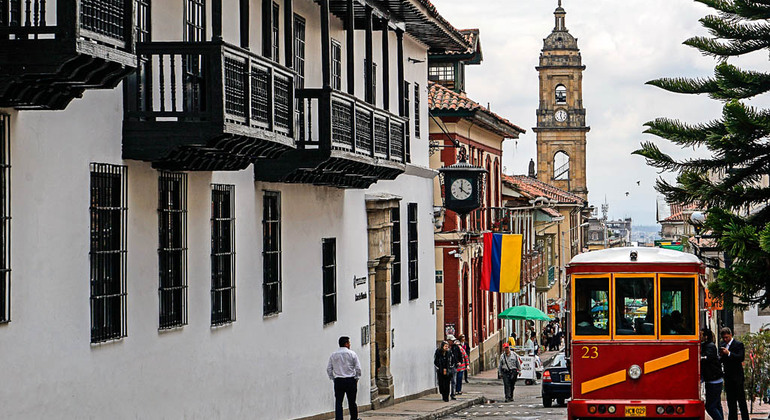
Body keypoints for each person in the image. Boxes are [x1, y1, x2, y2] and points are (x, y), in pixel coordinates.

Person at [327, 336, 362, 420]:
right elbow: (358, 368)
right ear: (346, 344)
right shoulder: (352, 354)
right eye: (349, 343)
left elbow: (329, 369)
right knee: (352, 401)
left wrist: (333, 378)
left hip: (339, 380)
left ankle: (339, 418)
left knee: (338, 402)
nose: (350, 344)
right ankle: (354, 418)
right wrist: (357, 378)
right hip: (350, 380)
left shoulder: (333, 355)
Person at [719, 327, 749, 420]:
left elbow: (740, 357)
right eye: (724, 338)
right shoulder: (723, 345)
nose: (725, 340)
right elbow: (722, 361)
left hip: (737, 377)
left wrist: (729, 353)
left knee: (741, 401)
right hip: (728, 377)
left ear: (731, 335)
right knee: (731, 401)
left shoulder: (738, 344)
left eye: (727, 337)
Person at [701, 328, 724, 420]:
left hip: (713, 380)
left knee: (710, 407)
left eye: (701, 334)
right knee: (717, 405)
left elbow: (708, 358)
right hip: (714, 379)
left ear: (706, 337)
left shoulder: (710, 346)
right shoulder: (707, 345)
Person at [447, 335, 460, 400]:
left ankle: (453, 394)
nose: (452, 341)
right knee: (446, 381)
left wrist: (459, 361)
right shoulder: (445, 347)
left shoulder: (456, 347)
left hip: (454, 366)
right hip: (446, 366)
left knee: (453, 381)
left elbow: (459, 355)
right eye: (451, 340)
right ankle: (446, 394)